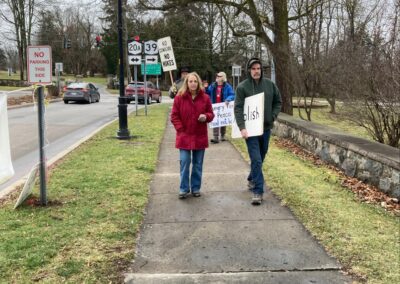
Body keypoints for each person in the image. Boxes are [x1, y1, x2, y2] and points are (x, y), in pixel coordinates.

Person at [234, 58, 282, 205]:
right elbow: (238, 108)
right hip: (250, 131)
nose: (256, 71)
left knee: (261, 156)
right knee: (256, 159)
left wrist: (273, 116)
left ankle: (251, 178)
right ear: (249, 70)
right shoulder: (242, 87)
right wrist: (242, 127)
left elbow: (278, 101)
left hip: (265, 128)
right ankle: (258, 192)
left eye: (258, 69)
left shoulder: (270, 85)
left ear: (261, 70)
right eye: (253, 68)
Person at [171, 72, 215, 199]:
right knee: (185, 162)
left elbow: (211, 114)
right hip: (184, 135)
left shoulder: (205, 98)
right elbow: (174, 116)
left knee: (197, 163)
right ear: (187, 83)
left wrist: (206, 116)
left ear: (199, 82)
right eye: (190, 81)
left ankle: (196, 188)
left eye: (195, 81)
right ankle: (183, 189)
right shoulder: (179, 97)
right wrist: (180, 129)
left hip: (199, 135)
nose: (193, 83)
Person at [206, 71, 235, 143]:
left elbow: (232, 95)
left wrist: (228, 99)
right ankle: (215, 137)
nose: (217, 77)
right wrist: (206, 88)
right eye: (217, 76)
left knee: (223, 121)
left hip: (223, 106)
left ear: (223, 78)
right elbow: (207, 93)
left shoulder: (227, 86)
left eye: (219, 76)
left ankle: (222, 136)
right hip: (215, 106)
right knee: (215, 120)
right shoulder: (213, 85)